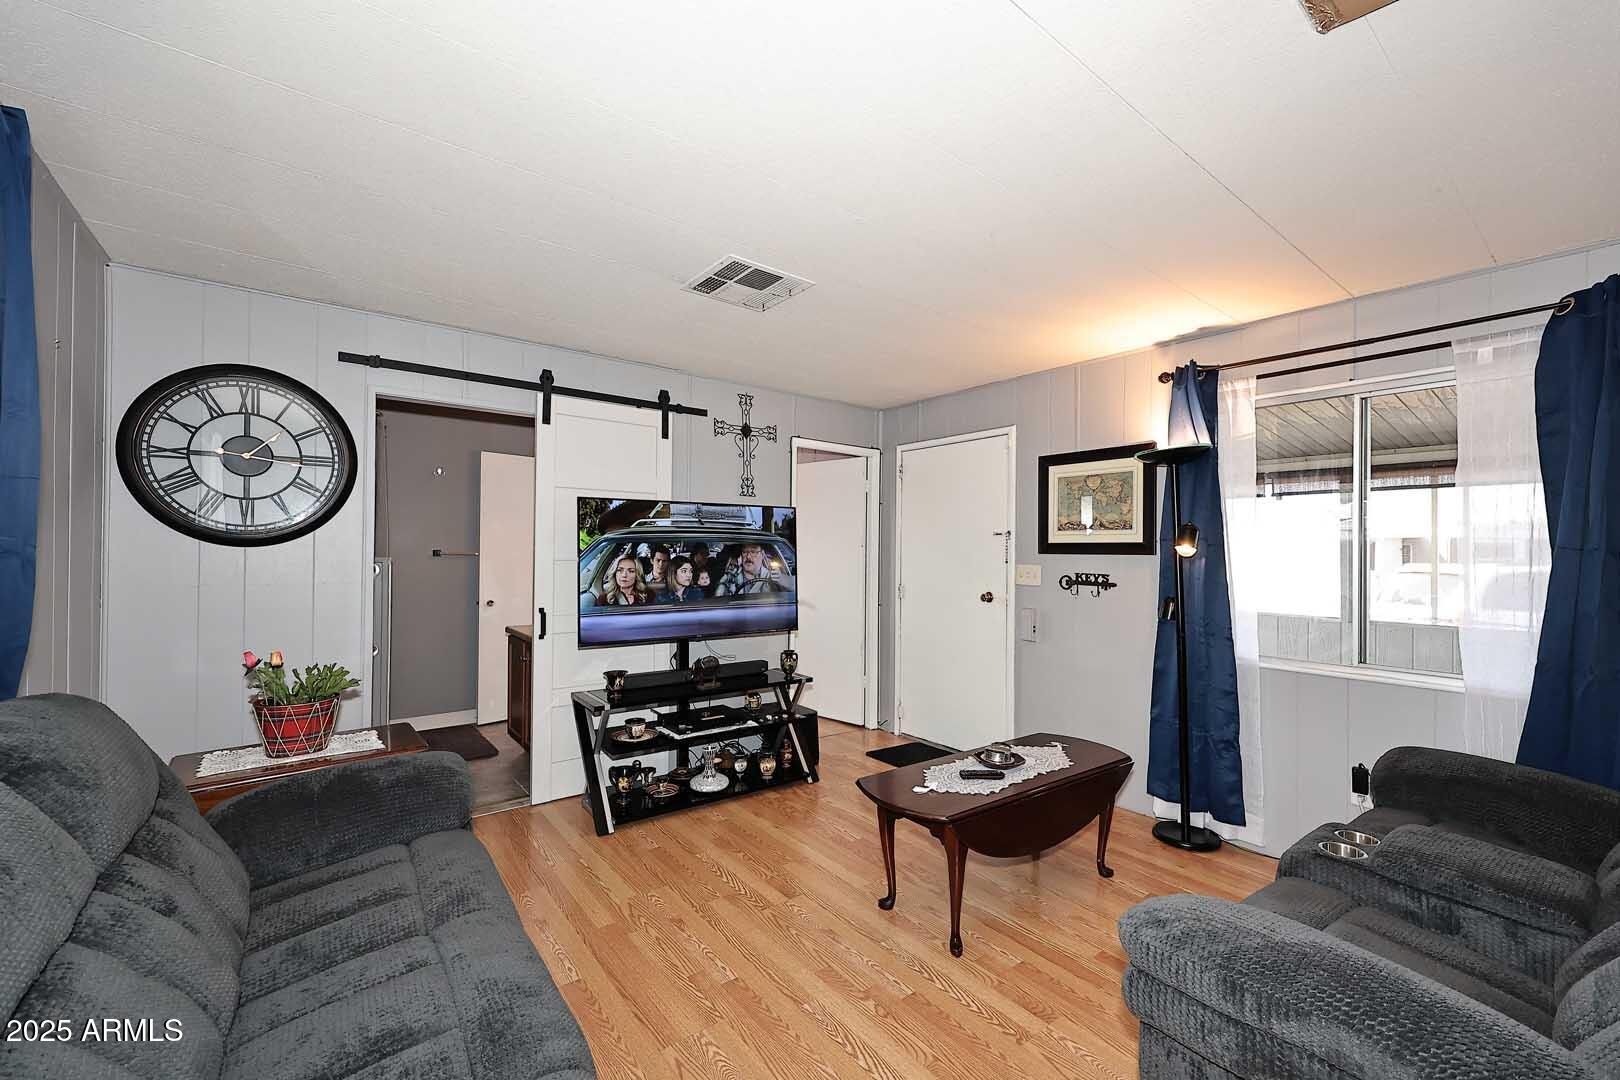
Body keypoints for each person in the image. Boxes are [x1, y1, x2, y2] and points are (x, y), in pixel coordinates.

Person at [714, 541, 784, 596]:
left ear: (762, 554)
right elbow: (719, 599)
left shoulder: (772, 577)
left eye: (753, 552)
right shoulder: (731, 576)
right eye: (744, 552)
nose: (748, 557)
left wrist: (782, 580)